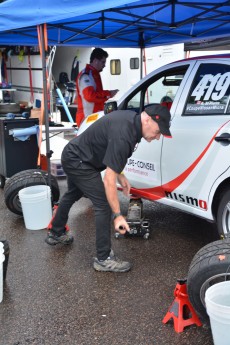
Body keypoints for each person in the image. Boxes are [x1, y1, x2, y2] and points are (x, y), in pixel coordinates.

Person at [45, 104, 172, 272]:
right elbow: (108, 180)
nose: (157, 137)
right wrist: (118, 215)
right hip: (79, 161)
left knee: (73, 194)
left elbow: (112, 156)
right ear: (147, 119)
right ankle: (103, 258)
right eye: (158, 131)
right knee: (103, 205)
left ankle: (56, 232)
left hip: (75, 155)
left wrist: (122, 175)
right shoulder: (125, 135)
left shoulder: (131, 121)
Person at [75, 48, 119, 127]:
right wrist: (108, 94)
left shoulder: (94, 74)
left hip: (93, 117)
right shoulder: (86, 75)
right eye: (103, 62)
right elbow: (90, 96)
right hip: (87, 118)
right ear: (95, 61)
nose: (104, 65)